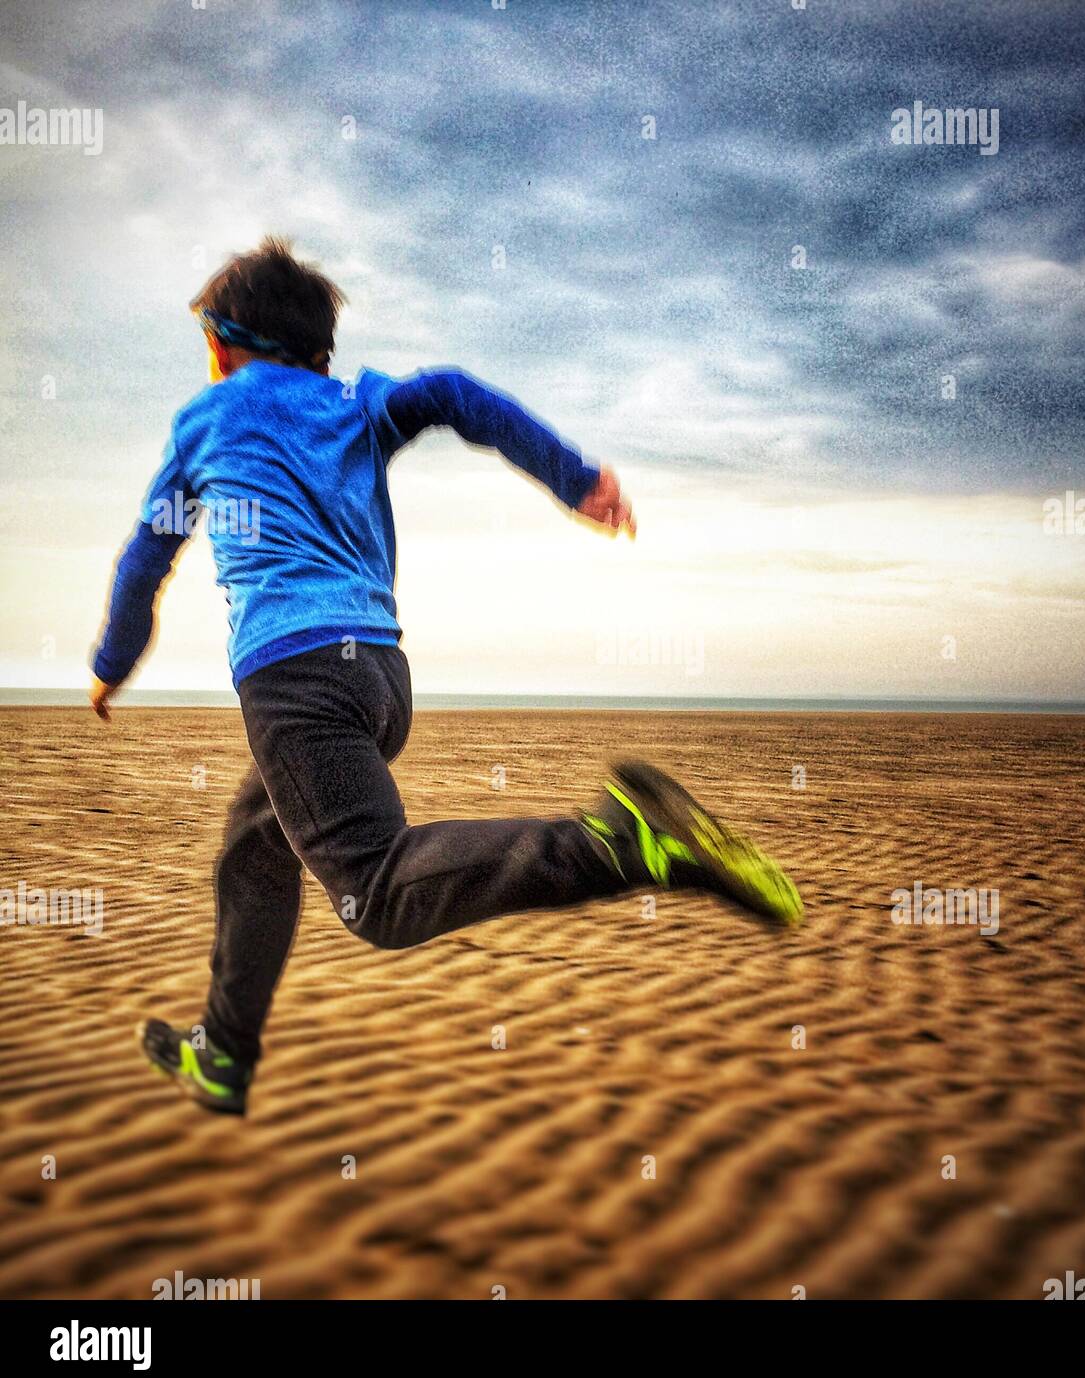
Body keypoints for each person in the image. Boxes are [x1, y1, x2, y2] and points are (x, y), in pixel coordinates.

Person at [90, 236, 802, 1116]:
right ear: (316, 353)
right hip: (380, 679)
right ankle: (225, 1056)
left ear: (222, 343)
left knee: (377, 894)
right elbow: (457, 394)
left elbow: (143, 559)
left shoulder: (206, 420)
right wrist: (576, 479)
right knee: (253, 849)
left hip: (294, 682)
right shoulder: (352, 399)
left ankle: (619, 843)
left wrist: (110, 666)